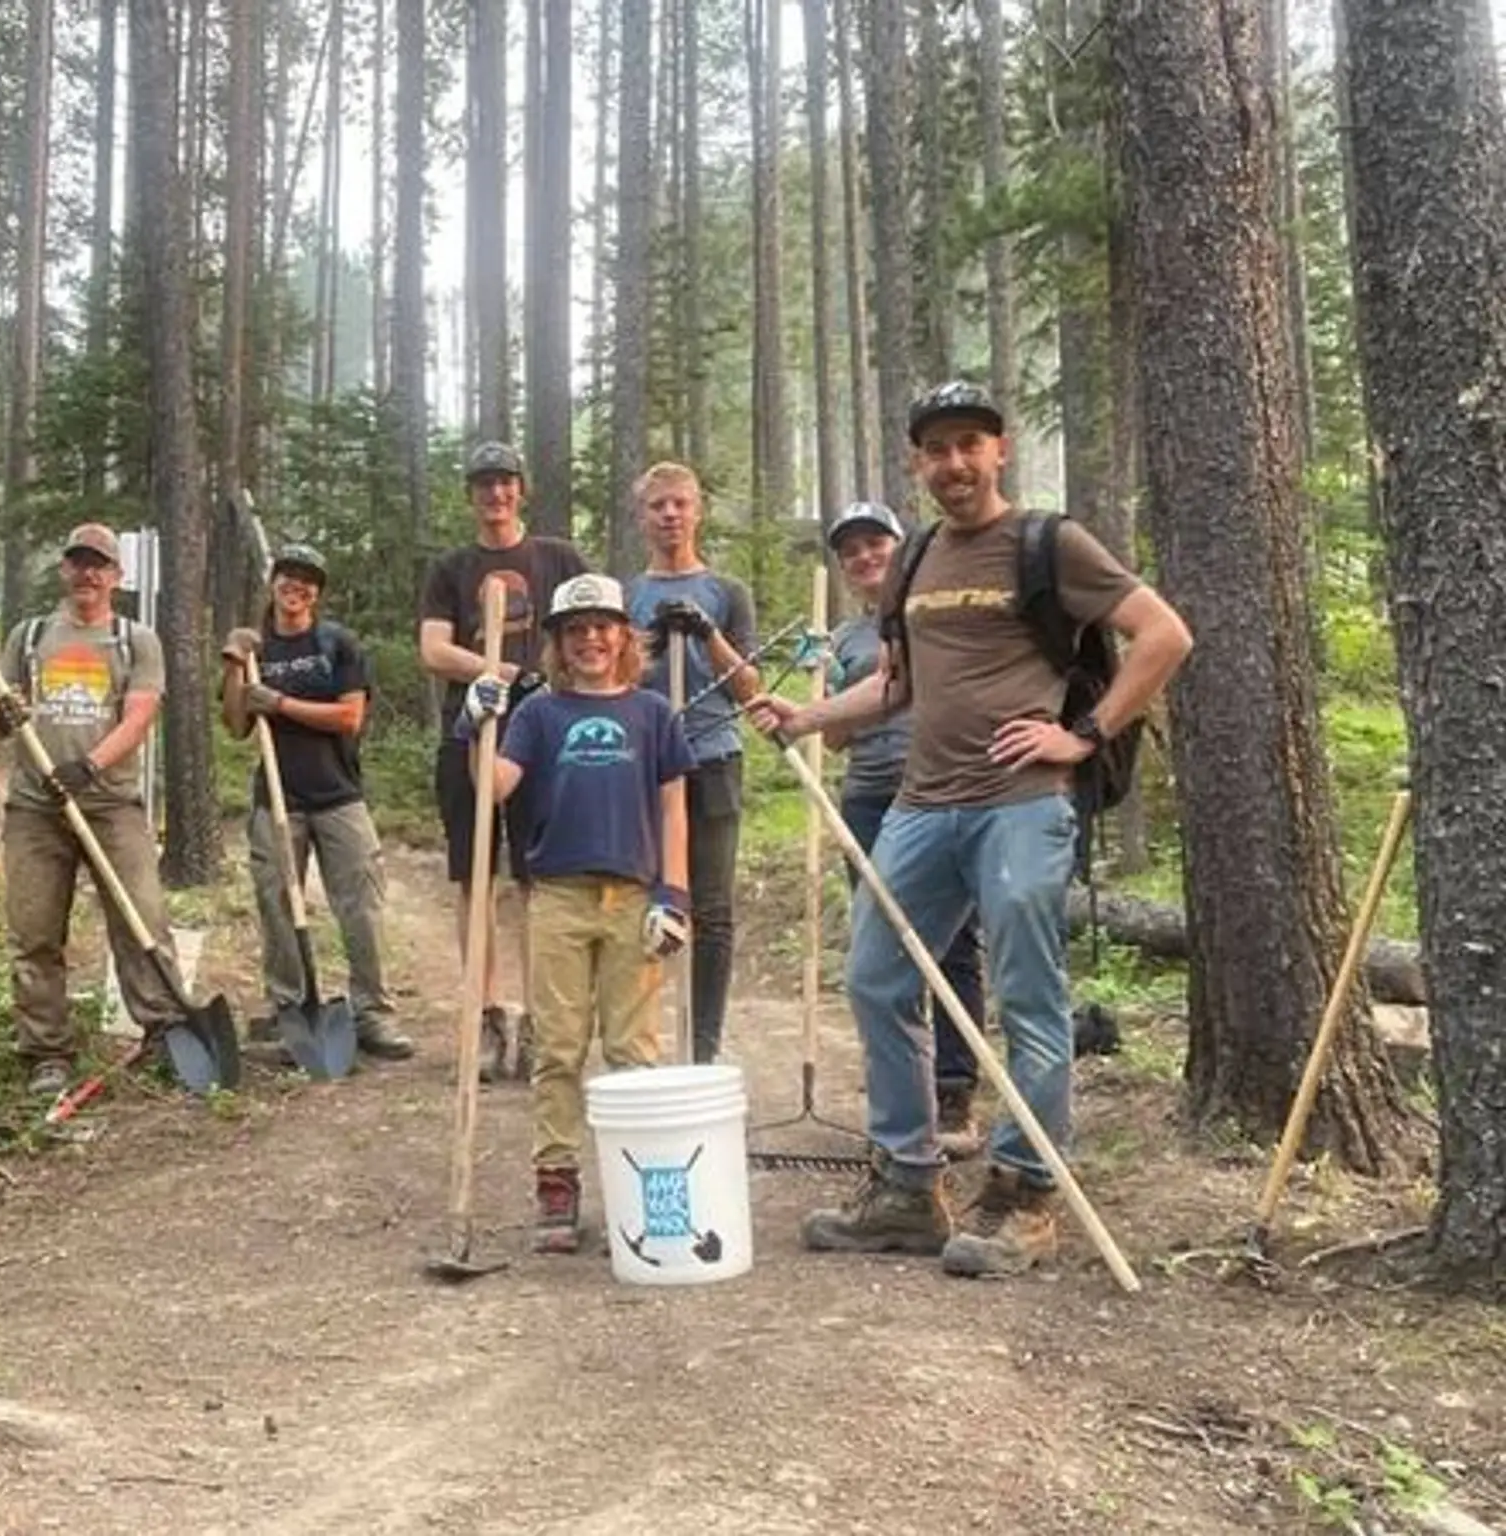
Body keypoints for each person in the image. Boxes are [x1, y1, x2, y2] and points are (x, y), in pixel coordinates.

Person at [748, 382, 1192, 1278]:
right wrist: (806, 716)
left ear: (1000, 451)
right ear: (917, 462)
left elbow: (1163, 634)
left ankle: (1025, 1197)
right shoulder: (912, 561)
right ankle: (909, 1188)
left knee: (1029, 995)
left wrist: (1083, 732)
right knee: (874, 979)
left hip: (1022, 804)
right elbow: (896, 687)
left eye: (969, 445)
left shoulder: (1047, 543)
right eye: (936, 449)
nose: (953, 464)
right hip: (921, 806)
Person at [470, 572, 694, 1253]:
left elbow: (673, 809)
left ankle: (639, 1184)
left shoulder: (654, 714)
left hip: (633, 899)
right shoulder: (539, 715)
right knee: (560, 1045)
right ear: (559, 646)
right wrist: (478, 723)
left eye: (602, 627)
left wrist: (674, 895)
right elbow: (495, 788)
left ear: (625, 636)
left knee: (633, 1050)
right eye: (575, 631)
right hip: (559, 898)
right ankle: (557, 1183)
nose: (590, 639)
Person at [0, 523, 183, 1096]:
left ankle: (166, 1030)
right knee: (35, 932)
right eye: (78, 562)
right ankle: (46, 1050)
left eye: (99, 564)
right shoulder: (28, 638)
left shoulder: (134, 640)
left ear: (117, 577)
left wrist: (89, 766)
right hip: (34, 810)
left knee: (142, 919)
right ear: (64, 571)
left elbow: (141, 715)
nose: (87, 574)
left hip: (110, 805)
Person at [418, 441, 589, 1080]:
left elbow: (594, 631)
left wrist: (548, 681)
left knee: (540, 880)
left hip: (545, 740)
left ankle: (545, 1019)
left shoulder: (558, 559)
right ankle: (488, 1016)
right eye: (484, 484)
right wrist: (496, 671)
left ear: (522, 490)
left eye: (505, 483)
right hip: (472, 736)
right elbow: (434, 649)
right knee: (475, 880)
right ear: (472, 495)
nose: (496, 495)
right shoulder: (452, 568)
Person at [823, 500, 988, 1158]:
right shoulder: (844, 640)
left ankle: (953, 1092)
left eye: (876, 545)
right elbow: (834, 738)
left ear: (901, 548)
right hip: (867, 799)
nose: (865, 559)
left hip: (938, 791)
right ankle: (899, 1101)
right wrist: (829, 696)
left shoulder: (938, 616)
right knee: (878, 951)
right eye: (851, 552)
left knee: (950, 947)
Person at [220, 542, 413, 1061]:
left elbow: (350, 718)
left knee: (361, 906)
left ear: (317, 593)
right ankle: (291, 1012)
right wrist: (236, 667)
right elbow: (237, 724)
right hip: (277, 798)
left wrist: (281, 703)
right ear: (273, 582)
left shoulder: (337, 643)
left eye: (307, 580)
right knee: (278, 906)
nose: (296, 586)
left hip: (338, 796)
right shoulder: (257, 648)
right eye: (288, 576)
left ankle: (372, 1012)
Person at [623, 461, 758, 1064]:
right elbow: (609, 678)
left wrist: (707, 634)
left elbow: (750, 687)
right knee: (642, 899)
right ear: (642, 517)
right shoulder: (627, 595)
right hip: (641, 767)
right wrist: (647, 642)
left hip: (714, 758)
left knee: (712, 909)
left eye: (680, 503)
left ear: (698, 510)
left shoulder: (727, 594)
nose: (670, 515)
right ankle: (640, 1040)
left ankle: (703, 1048)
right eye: (658, 506)